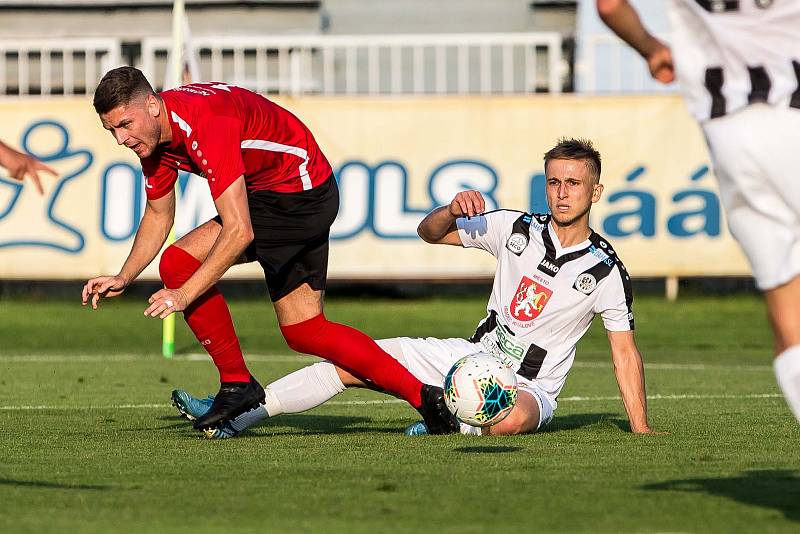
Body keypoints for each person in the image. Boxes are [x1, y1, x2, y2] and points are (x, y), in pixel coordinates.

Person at [173, 138, 656, 439]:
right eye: (554, 182)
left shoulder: (606, 269)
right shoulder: (517, 228)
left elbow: (625, 353)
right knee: (348, 365)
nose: (562, 192)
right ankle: (239, 417)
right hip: (468, 357)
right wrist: (450, 210)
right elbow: (430, 232)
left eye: (574, 183)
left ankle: (445, 415)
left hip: (530, 386)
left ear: (595, 192)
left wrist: (641, 430)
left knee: (511, 420)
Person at [80, 66, 458, 435]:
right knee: (306, 330)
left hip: (298, 195)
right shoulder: (154, 142)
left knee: (179, 263)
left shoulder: (204, 122)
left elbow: (240, 230)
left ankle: (236, 385)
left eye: (124, 125)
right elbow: (160, 214)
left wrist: (183, 294)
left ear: (152, 105)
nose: (120, 139)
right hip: (298, 192)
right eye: (110, 129)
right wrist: (124, 276)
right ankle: (428, 399)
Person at [597, 0, 800, 422]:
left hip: (731, 134)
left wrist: (651, 47)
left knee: (786, 305)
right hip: (793, 107)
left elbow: (610, 6)